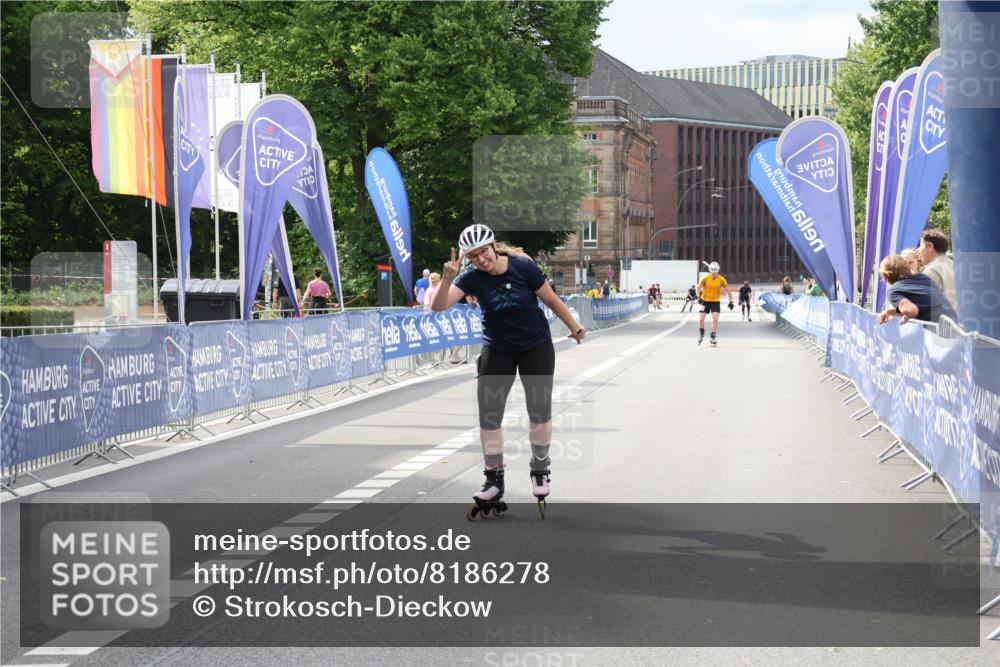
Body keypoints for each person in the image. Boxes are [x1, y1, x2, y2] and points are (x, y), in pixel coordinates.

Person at [433, 224, 586, 520]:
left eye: (483, 252)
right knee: (489, 417)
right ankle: (493, 480)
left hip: (536, 346)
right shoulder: (470, 277)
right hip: (498, 349)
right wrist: (449, 278)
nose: (481, 260)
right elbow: (438, 307)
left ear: (493, 246)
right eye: (473, 256)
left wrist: (574, 327)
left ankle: (540, 470)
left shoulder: (522, 266)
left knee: (539, 412)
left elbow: (551, 300)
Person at [877, 254, 957, 324]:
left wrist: (901, 315)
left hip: (937, 331)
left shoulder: (893, 290)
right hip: (953, 324)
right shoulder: (923, 277)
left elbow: (911, 310)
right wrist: (889, 312)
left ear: (886, 276)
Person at [696, 262, 734, 346]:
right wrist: (698, 297)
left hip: (715, 301)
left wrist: (731, 301)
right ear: (710, 272)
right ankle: (701, 332)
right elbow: (697, 288)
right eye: (712, 273)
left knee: (715, 319)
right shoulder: (705, 278)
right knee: (701, 319)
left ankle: (712, 337)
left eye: (715, 273)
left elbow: (728, 290)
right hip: (704, 300)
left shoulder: (721, 279)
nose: (713, 274)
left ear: (718, 271)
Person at [917, 229, 956, 309]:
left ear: (930, 247)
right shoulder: (954, 266)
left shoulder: (931, 271)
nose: (918, 251)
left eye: (921, 246)